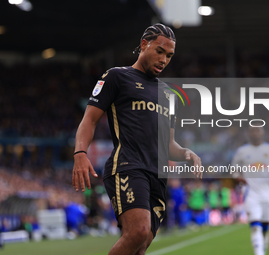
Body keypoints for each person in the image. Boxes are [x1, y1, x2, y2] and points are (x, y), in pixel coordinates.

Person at [72, 23, 202, 255]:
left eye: (169, 55)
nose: (164, 59)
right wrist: (80, 153)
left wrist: (185, 153)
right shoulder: (117, 77)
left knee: (139, 247)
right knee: (139, 231)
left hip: (157, 177)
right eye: (160, 51)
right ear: (144, 45)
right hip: (128, 166)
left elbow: (169, 145)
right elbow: (89, 120)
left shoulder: (168, 95)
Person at [231, 127, 269, 255]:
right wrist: (240, 179)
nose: (255, 133)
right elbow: (233, 171)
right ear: (248, 133)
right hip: (251, 193)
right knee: (255, 226)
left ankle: (261, 251)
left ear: (262, 132)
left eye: (258, 130)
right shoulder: (242, 151)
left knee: (265, 227)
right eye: (252, 131)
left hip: (267, 193)